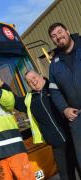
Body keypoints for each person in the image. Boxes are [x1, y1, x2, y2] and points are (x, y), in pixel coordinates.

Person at [3, 70, 74, 180]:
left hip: (73, 137)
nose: (33, 82)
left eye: (34, 77)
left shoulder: (54, 87)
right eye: (29, 81)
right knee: (66, 175)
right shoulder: (30, 99)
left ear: (40, 75)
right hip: (57, 145)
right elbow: (15, 102)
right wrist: (4, 87)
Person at [48, 22, 81, 173]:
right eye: (54, 36)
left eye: (60, 32)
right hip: (76, 118)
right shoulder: (54, 65)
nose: (58, 37)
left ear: (67, 31)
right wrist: (64, 109)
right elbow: (55, 91)